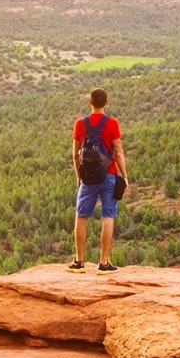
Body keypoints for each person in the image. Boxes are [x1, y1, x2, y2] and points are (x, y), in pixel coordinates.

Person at [70, 88, 126, 274]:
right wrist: (124, 176)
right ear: (106, 102)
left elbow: (76, 154)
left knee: (82, 216)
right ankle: (103, 263)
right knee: (108, 216)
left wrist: (79, 176)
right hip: (108, 175)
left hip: (87, 177)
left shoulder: (80, 124)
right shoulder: (112, 123)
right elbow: (117, 152)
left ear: (90, 102)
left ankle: (79, 261)